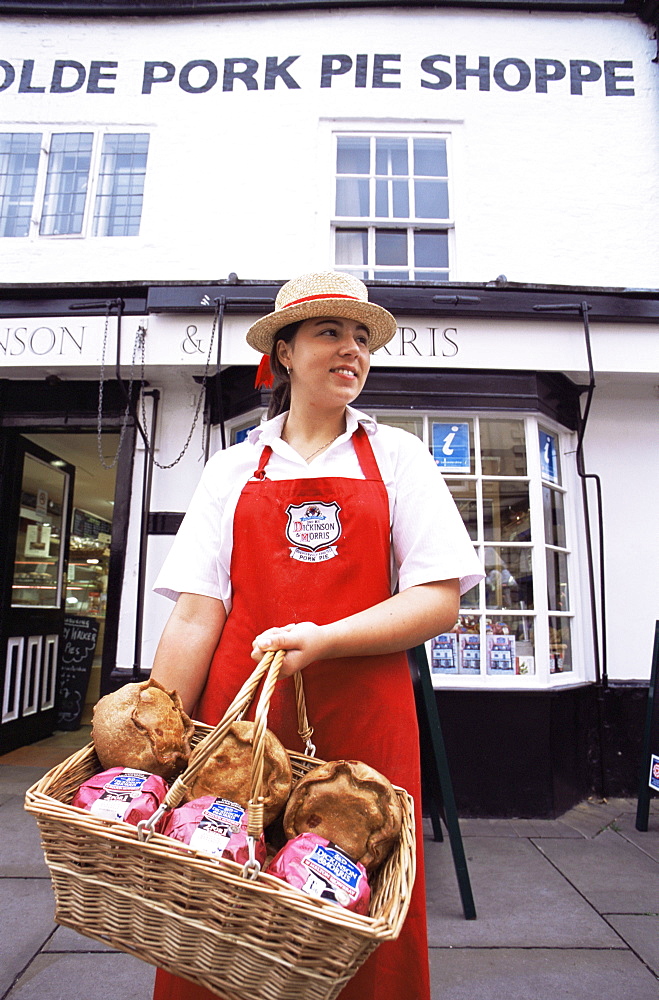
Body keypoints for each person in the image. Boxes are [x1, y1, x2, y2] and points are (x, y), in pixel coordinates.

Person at [150, 270, 484, 1000]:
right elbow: (197, 611)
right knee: (218, 900)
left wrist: (325, 639)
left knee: (355, 905)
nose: (351, 350)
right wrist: (153, 738)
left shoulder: (397, 457)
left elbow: (435, 601)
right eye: (330, 332)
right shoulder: (233, 467)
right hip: (243, 717)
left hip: (364, 717)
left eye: (361, 338)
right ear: (285, 354)